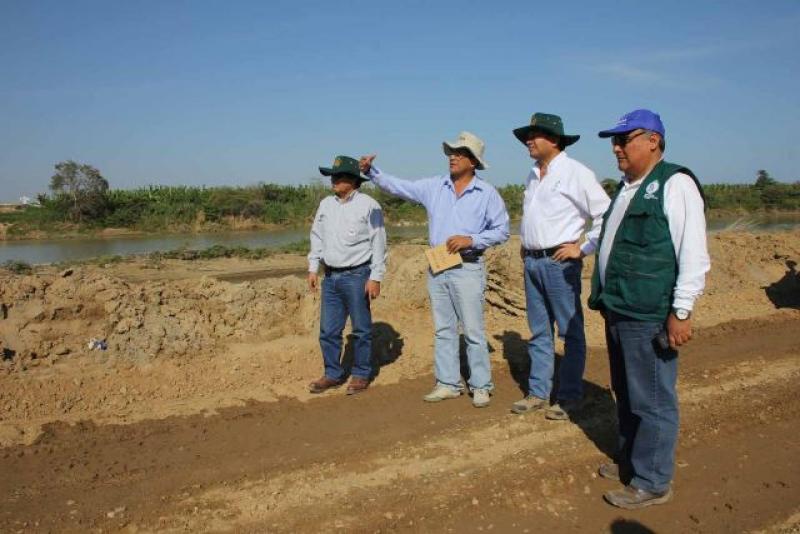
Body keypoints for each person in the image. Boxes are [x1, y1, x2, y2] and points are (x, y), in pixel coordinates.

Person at [588, 109, 710, 509]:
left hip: (648, 313)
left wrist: (682, 310)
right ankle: (632, 459)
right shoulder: (626, 188)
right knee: (626, 392)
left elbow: (692, 253)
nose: (616, 147)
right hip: (619, 309)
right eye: (614, 141)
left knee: (652, 399)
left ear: (653, 140)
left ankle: (653, 480)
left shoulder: (675, 184)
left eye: (625, 139)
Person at [359, 132, 509, 408]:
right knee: (444, 329)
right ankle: (448, 383)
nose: (453, 156)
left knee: (473, 330)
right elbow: (399, 186)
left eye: (460, 153)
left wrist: (472, 239)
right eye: (451, 151)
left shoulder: (486, 194)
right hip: (438, 266)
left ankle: (480, 385)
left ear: (474, 162)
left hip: (468, 266)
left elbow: (502, 230)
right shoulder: (434, 187)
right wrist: (372, 173)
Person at [509, 113, 610, 420]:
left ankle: (569, 396)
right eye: (528, 135)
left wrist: (582, 248)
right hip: (533, 262)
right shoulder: (533, 174)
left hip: (558, 262)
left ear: (553, 139)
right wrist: (526, 246)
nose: (529, 140)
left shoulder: (576, 173)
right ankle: (538, 393)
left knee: (570, 331)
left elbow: (606, 214)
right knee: (539, 331)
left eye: (535, 135)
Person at [307, 155, 387, 395]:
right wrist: (313, 267)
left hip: (357, 276)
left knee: (361, 329)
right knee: (328, 331)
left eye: (338, 176)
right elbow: (317, 236)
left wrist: (375, 277)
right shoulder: (326, 205)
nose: (333, 180)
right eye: (332, 176)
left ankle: (361, 374)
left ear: (352, 180)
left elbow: (379, 243)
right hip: (330, 277)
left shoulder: (369, 205)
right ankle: (333, 373)